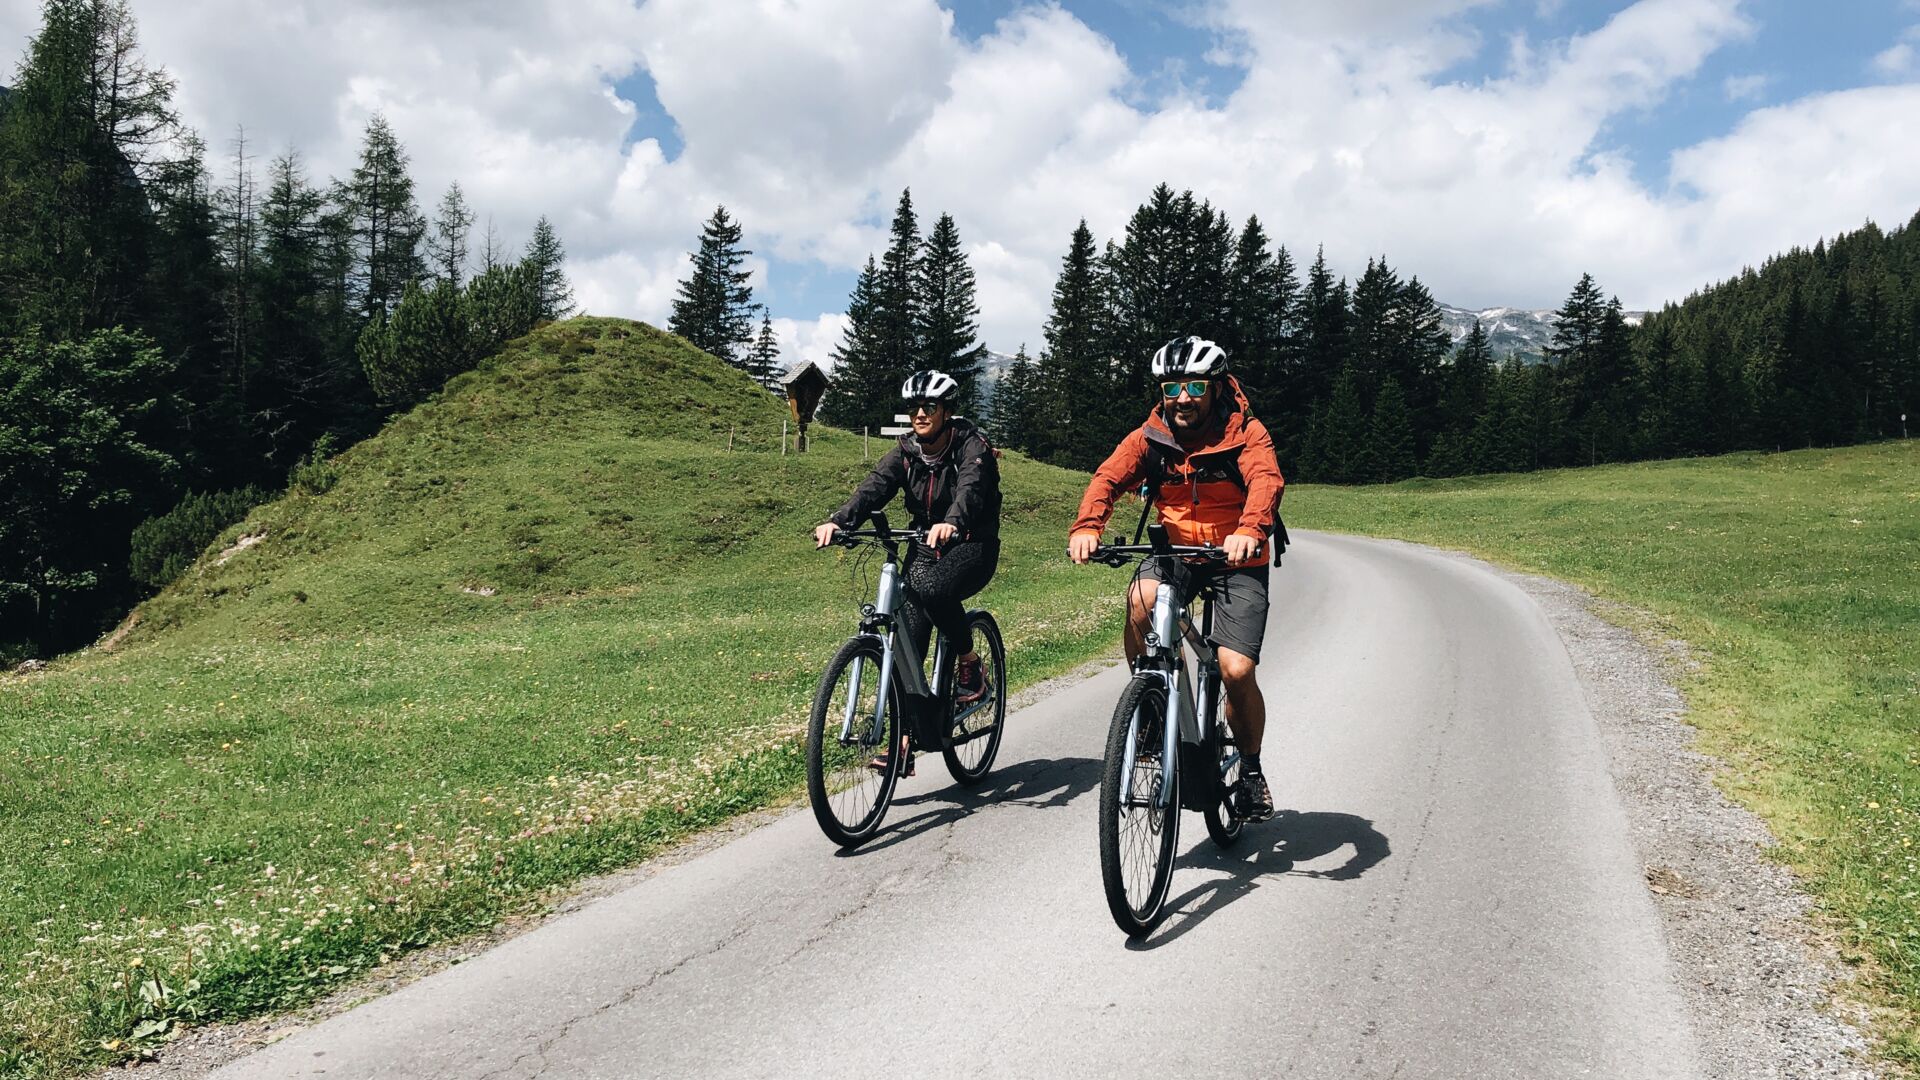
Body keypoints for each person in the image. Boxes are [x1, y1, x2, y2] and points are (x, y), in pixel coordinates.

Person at [1067, 336, 1284, 821]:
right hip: (1178, 549)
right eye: (1172, 387)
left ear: (1214, 387)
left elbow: (1266, 481)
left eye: (1193, 386)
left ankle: (1250, 770)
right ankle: (1149, 706)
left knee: (1235, 670)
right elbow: (1108, 477)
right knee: (1142, 602)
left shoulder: (1245, 430)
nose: (1182, 397)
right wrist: (1087, 526)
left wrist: (1250, 530)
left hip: (1237, 555)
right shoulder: (1151, 434)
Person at [815, 370, 1003, 774]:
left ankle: (970, 665)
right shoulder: (905, 451)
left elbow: (971, 489)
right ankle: (904, 742)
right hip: (925, 546)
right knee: (908, 640)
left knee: (934, 590)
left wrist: (952, 521)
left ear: (946, 411)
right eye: (913, 407)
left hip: (972, 546)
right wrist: (840, 520)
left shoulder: (972, 447)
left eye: (929, 407)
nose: (919, 414)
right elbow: (874, 486)